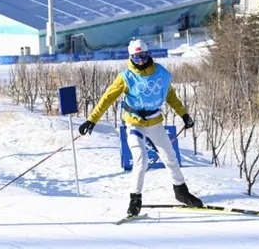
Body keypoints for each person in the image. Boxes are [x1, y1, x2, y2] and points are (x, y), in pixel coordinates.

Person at [78, 38, 202, 218]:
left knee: (170, 157)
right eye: (136, 58)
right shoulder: (126, 77)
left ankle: (181, 192)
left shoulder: (160, 73)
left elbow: (170, 96)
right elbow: (107, 98)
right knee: (141, 161)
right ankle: (135, 200)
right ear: (131, 58)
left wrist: (184, 114)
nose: (141, 61)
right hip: (134, 123)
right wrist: (92, 120)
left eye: (143, 56)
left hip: (155, 123)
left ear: (148, 54)